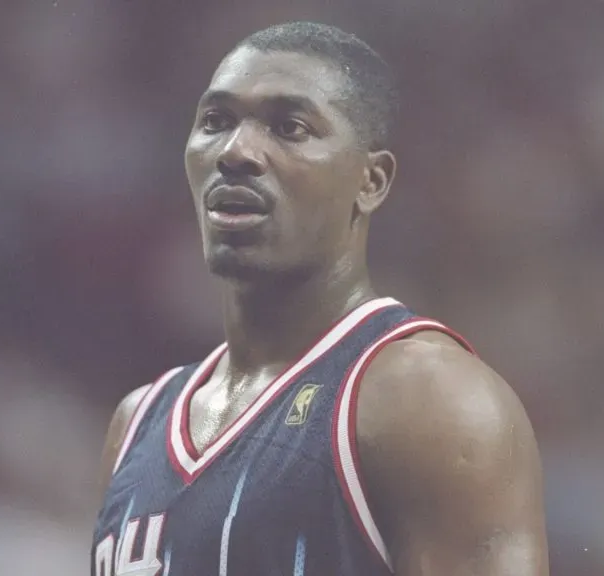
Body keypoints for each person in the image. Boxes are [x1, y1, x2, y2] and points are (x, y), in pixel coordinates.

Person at [91, 21, 548, 576]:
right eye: (215, 121)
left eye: (289, 127)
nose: (236, 151)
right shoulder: (137, 422)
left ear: (371, 181)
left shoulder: (427, 401)